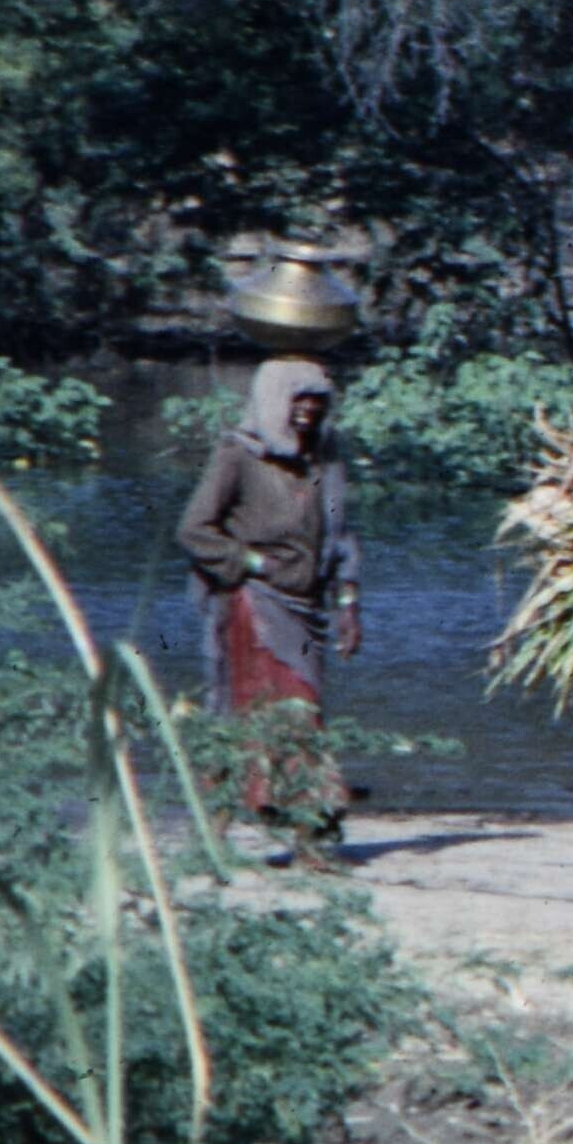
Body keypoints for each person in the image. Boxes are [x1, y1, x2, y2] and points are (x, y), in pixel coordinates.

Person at [173, 356, 359, 865]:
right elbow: (194, 530)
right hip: (253, 607)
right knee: (271, 713)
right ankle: (264, 834)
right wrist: (253, 561)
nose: (309, 410)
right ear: (275, 401)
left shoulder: (324, 461)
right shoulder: (238, 455)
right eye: (299, 399)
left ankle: (296, 834)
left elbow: (340, 532)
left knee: (299, 709)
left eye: (318, 401)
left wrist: (347, 600)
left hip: (305, 607)